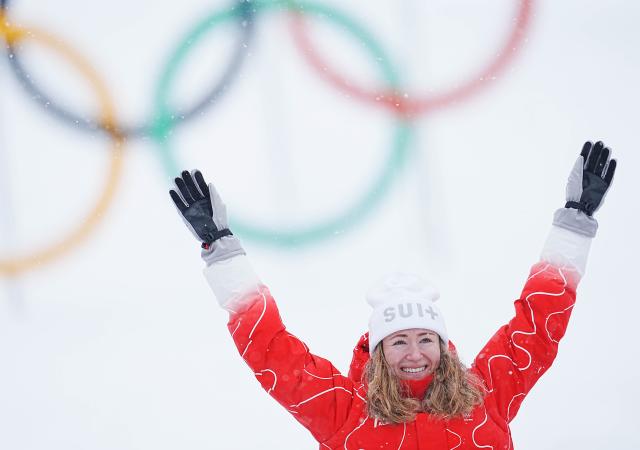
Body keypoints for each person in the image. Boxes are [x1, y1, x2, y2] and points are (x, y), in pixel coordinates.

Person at [169, 141, 616, 449]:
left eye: (424, 338)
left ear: (442, 344)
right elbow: (270, 352)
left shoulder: (487, 393)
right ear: (379, 351)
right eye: (399, 341)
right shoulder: (343, 411)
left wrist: (575, 221)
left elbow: (537, 327)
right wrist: (221, 249)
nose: (414, 353)